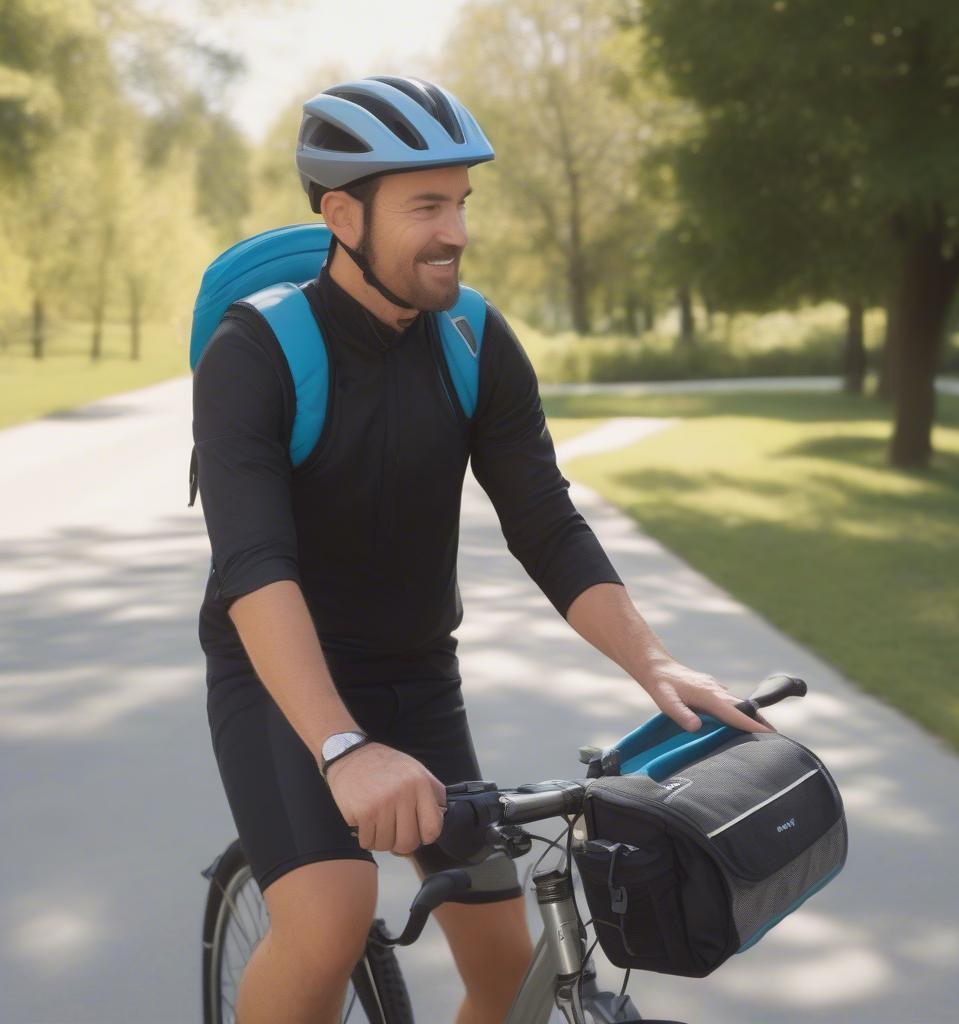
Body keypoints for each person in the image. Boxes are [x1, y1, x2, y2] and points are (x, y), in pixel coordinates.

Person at [191, 75, 771, 1024]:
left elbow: (545, 521)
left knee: (508, 968)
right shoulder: (253, 354)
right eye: (427, 205)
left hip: (417, 676)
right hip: (281, 684)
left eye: (461, 202)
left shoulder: (474, 339)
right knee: (332, 921)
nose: (456, 230)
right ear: (343, 214)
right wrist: (343, 747)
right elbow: (255, 566)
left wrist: (657, 665)